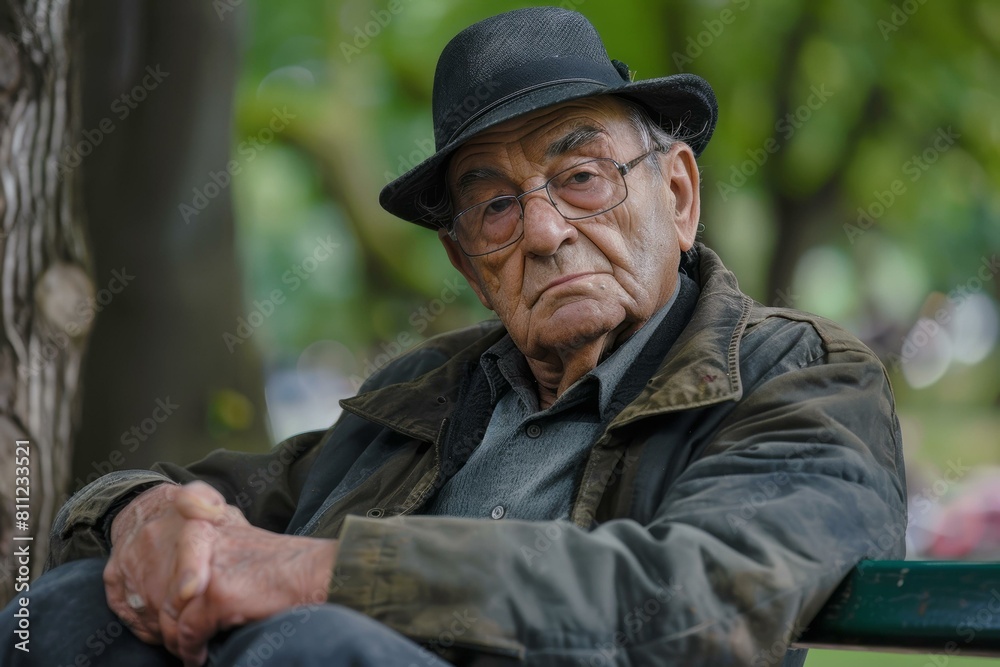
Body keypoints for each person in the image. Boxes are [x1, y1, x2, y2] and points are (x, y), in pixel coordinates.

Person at [3, 7, 906, 667]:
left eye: (582, 175)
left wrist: (322, 572)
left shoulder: (799, 376)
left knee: (312, 644)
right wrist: (143, 515)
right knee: (67, 612)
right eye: (498, 205)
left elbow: (704, 597)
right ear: (471, 262)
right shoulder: (425, 395)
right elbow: (216, 495)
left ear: (676, 194)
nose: (546, 232)